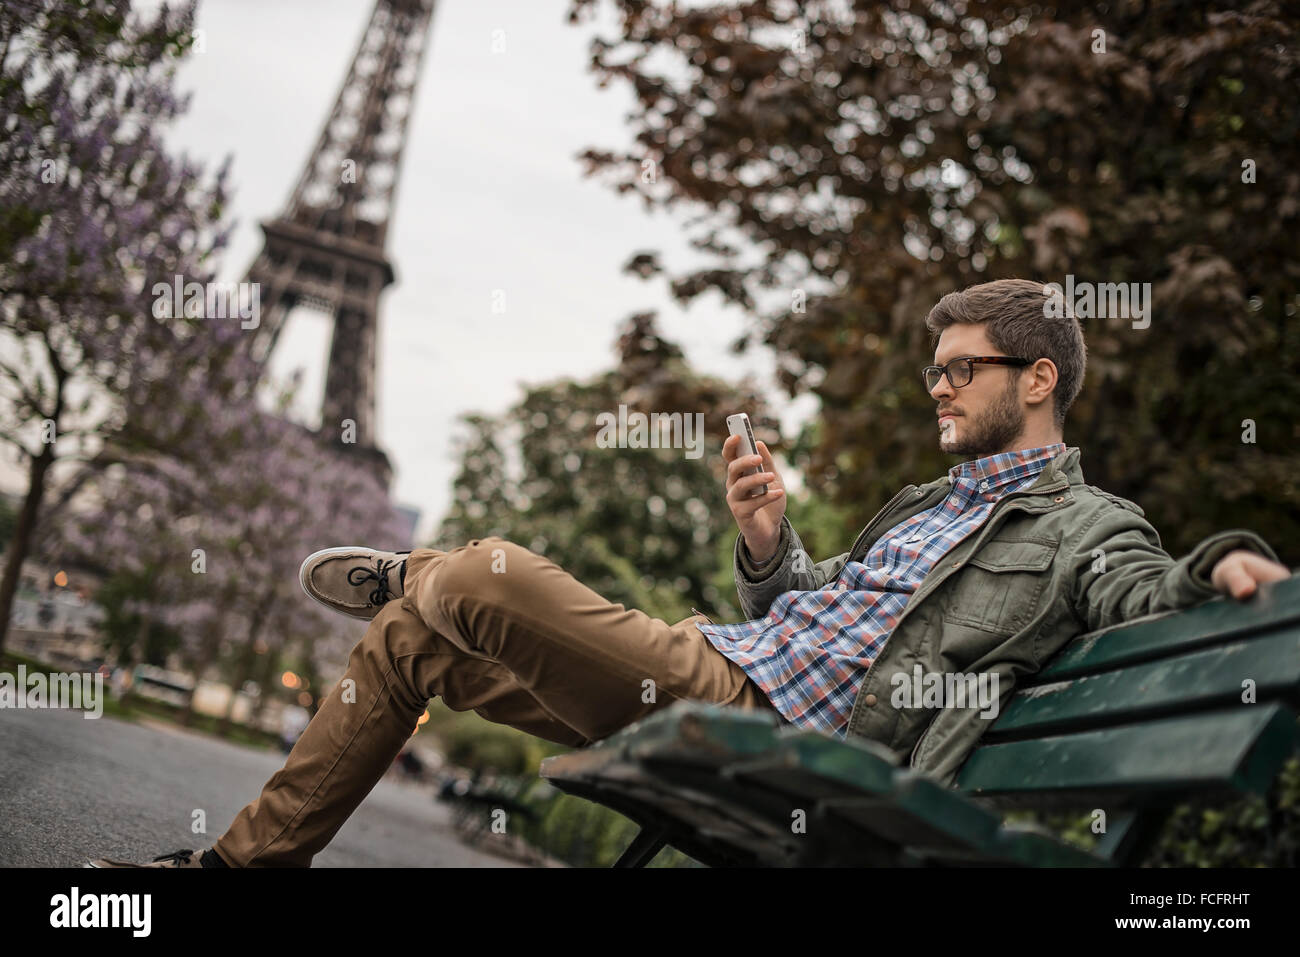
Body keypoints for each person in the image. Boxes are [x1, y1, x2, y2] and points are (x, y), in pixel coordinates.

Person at [87, 278, 1292, 868]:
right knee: (412, 646)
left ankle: (424, 567)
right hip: (721, 658)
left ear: (1037, 380)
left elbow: (1144, 584)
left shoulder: (1084, 524)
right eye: (933, 368)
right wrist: (769, 544)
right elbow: (818, 614)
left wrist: (1227, 559)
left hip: (759, 719)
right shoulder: (926, 505)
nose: (936, 385)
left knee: (489, 574)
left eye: (959, 369)